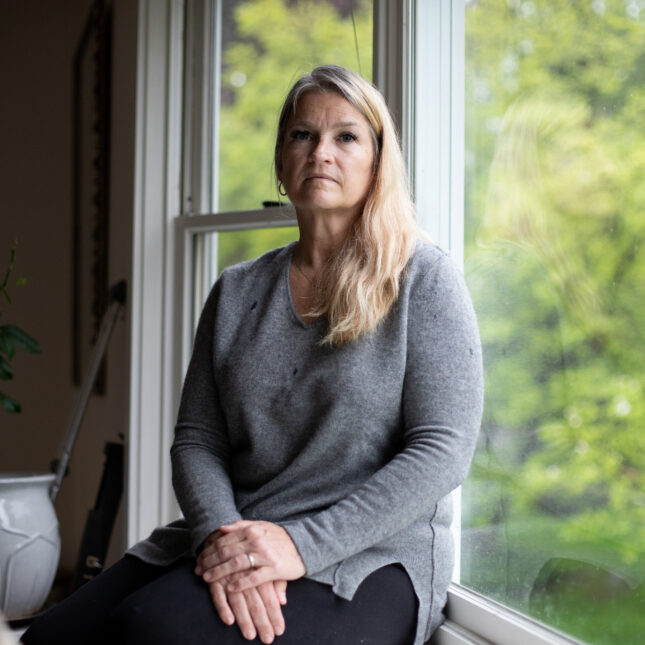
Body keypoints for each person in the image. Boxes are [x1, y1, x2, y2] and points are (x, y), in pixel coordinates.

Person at [22, 64, 483, 645]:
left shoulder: (425, 279)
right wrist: (221, 536)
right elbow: (197, 439)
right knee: (49, 639)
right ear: (281, 161)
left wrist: (297, 546)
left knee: (148, 631)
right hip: (237, 532)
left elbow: (443, 449)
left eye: (346, 136)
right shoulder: (236, 290)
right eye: (302, 135)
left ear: (377, 160)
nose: (321, 152)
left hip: (369, 557)